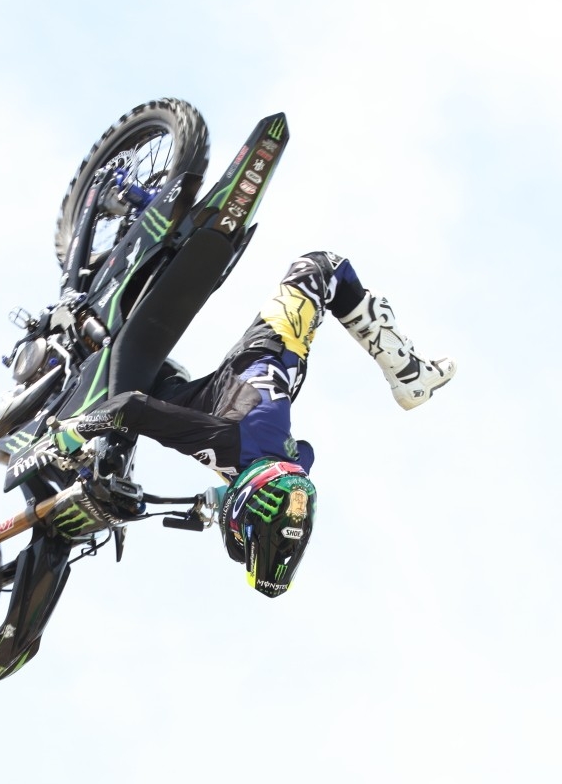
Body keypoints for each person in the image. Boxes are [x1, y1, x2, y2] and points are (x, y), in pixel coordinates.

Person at [49, 250, 456, 596]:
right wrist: (74, 433)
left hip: (218, 397)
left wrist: (219, 494)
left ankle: (79, 356)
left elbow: (305, 455)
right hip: (278, 342)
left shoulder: (292, 469)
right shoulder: (226, 443)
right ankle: (409, 374)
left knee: (140, 374)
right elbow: (132, 408)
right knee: (323, 265)